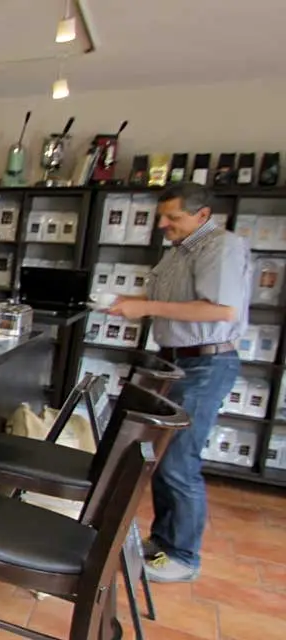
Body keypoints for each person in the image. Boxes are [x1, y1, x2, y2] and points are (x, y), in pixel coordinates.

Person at [105, 182, 250, 583]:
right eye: (161, 216)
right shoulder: (180, 249)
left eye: (173, 217)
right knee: (163, 456)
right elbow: (169, 298)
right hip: (177, 363)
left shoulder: (220, 247)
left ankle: (183, 557)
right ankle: (163, 543)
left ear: (202, 215)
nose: (162, 224)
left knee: (178, 460)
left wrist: (146, 307)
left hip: (206, 365)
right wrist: (128, 301)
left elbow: (221, 310)